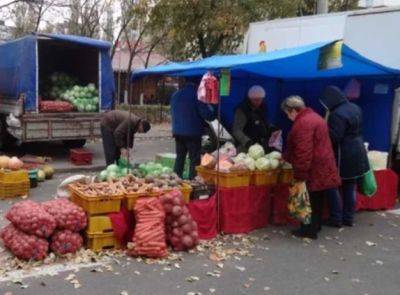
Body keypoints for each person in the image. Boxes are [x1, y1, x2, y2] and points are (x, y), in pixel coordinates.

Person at [282, 96, 341, 239]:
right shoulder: (315, 117)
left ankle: (308, 230)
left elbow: (303, 151)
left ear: (293, 110)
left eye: (287, 113)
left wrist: (300, 174)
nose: (287, 116)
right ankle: (316, 226)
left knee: (309, 200)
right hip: (322, 165)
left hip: (313, 167)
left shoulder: (303, 123)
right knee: (317, 199)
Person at [321, 86, 369, 227]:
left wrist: (323, 132)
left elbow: (335, 137)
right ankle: (348, 218)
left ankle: (336, 218)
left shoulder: (337, 114)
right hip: (358, 150)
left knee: (332, 185)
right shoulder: (355, 107)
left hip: (344, 154)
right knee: (350, 186)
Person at [171, 80, 215, 179]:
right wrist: (213, 108)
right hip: (192, 133)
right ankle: (192, 183)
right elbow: (208, 115)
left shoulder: (175, 95)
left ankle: (176, 182)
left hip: (177, 132)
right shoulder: (197, 95)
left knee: (180, 158)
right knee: (194, 160)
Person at [232, 85, 278, 153]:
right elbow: (236, 130)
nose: (258, 102)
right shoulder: (242, 110)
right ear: (250, 98)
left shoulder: (263, 107)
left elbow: (264, 122)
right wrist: (247, 142)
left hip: (260, 144)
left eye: (261, 99)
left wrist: (272, 128)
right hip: (246, 146)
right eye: (256, 100)